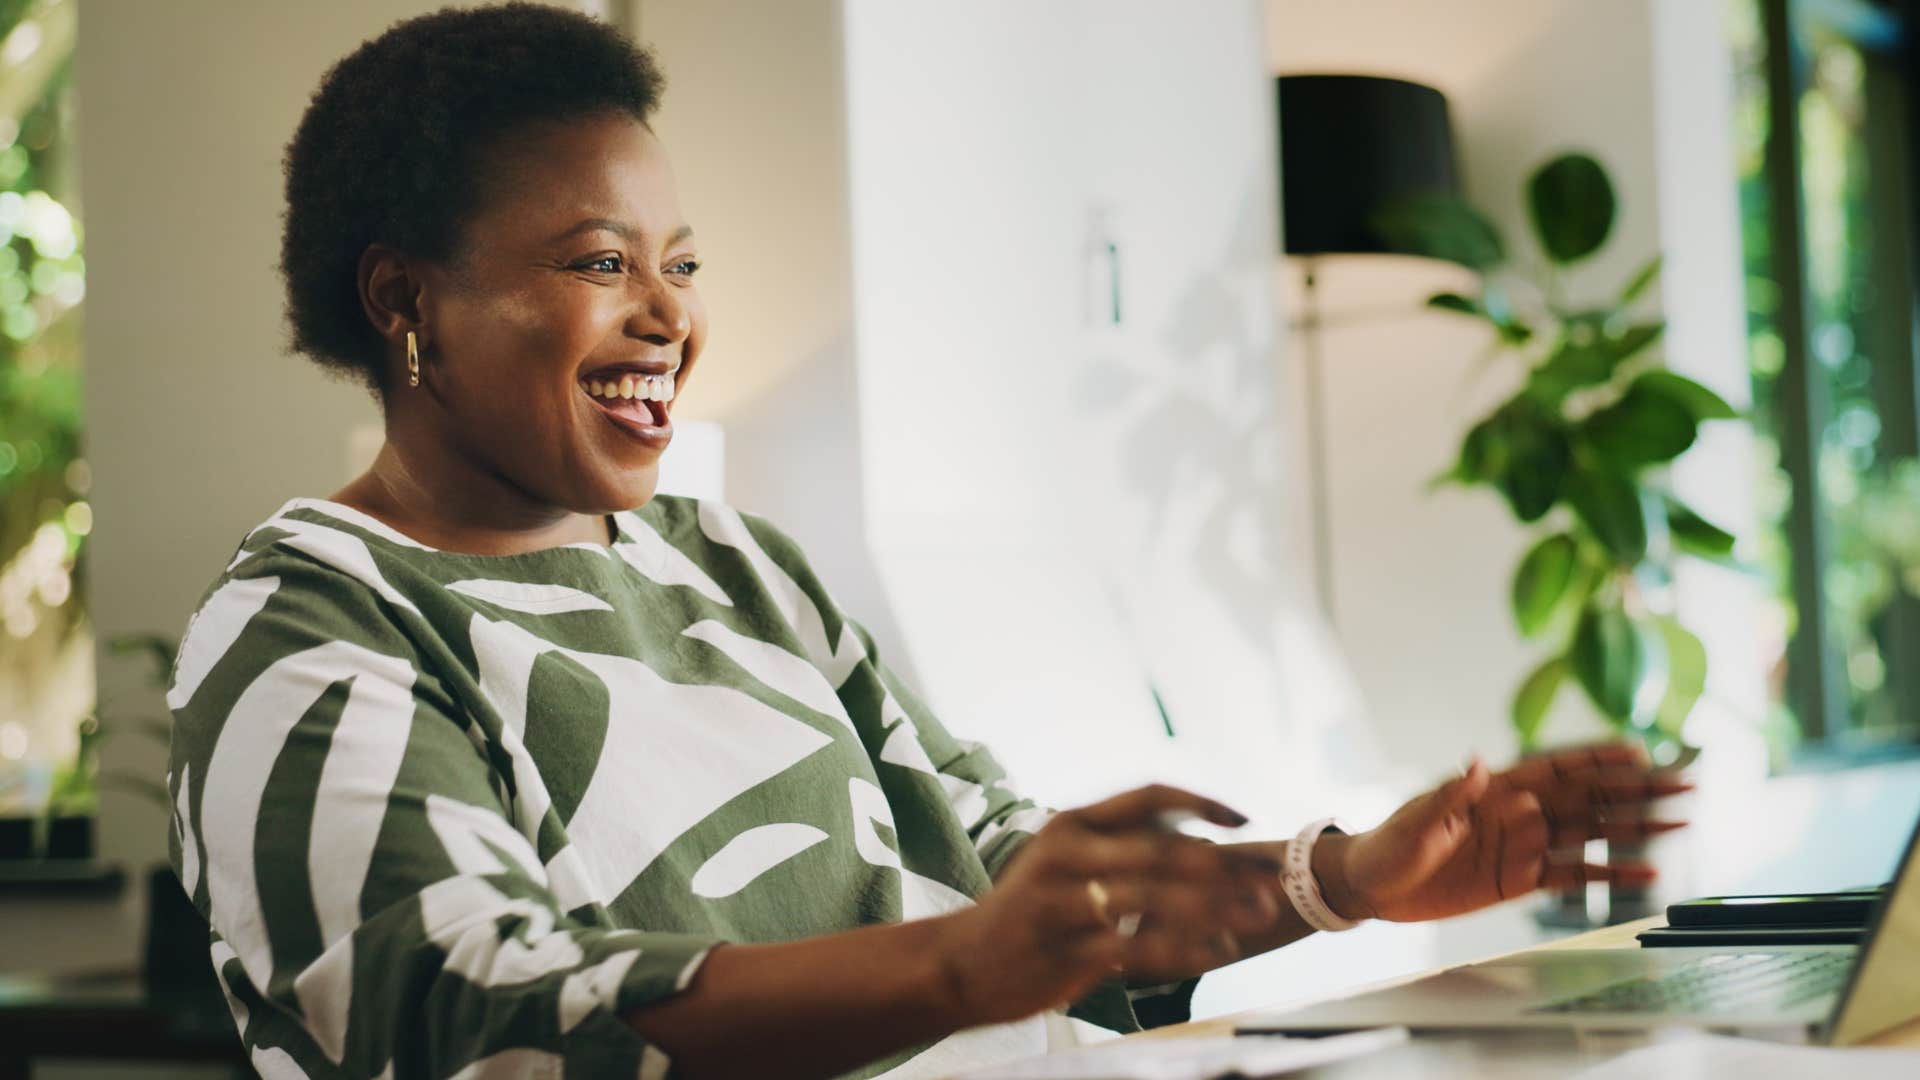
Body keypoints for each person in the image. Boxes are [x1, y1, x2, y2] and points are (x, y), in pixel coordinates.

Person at [163, 6, 1689, 1078]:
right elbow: (469, 1019)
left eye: (679, 262)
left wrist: (1340, 876)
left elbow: (1006, 876)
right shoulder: (311, 620)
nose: (668, 314)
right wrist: (966, 969)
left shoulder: (734, 564)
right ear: (399, 299)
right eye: (595, 261)